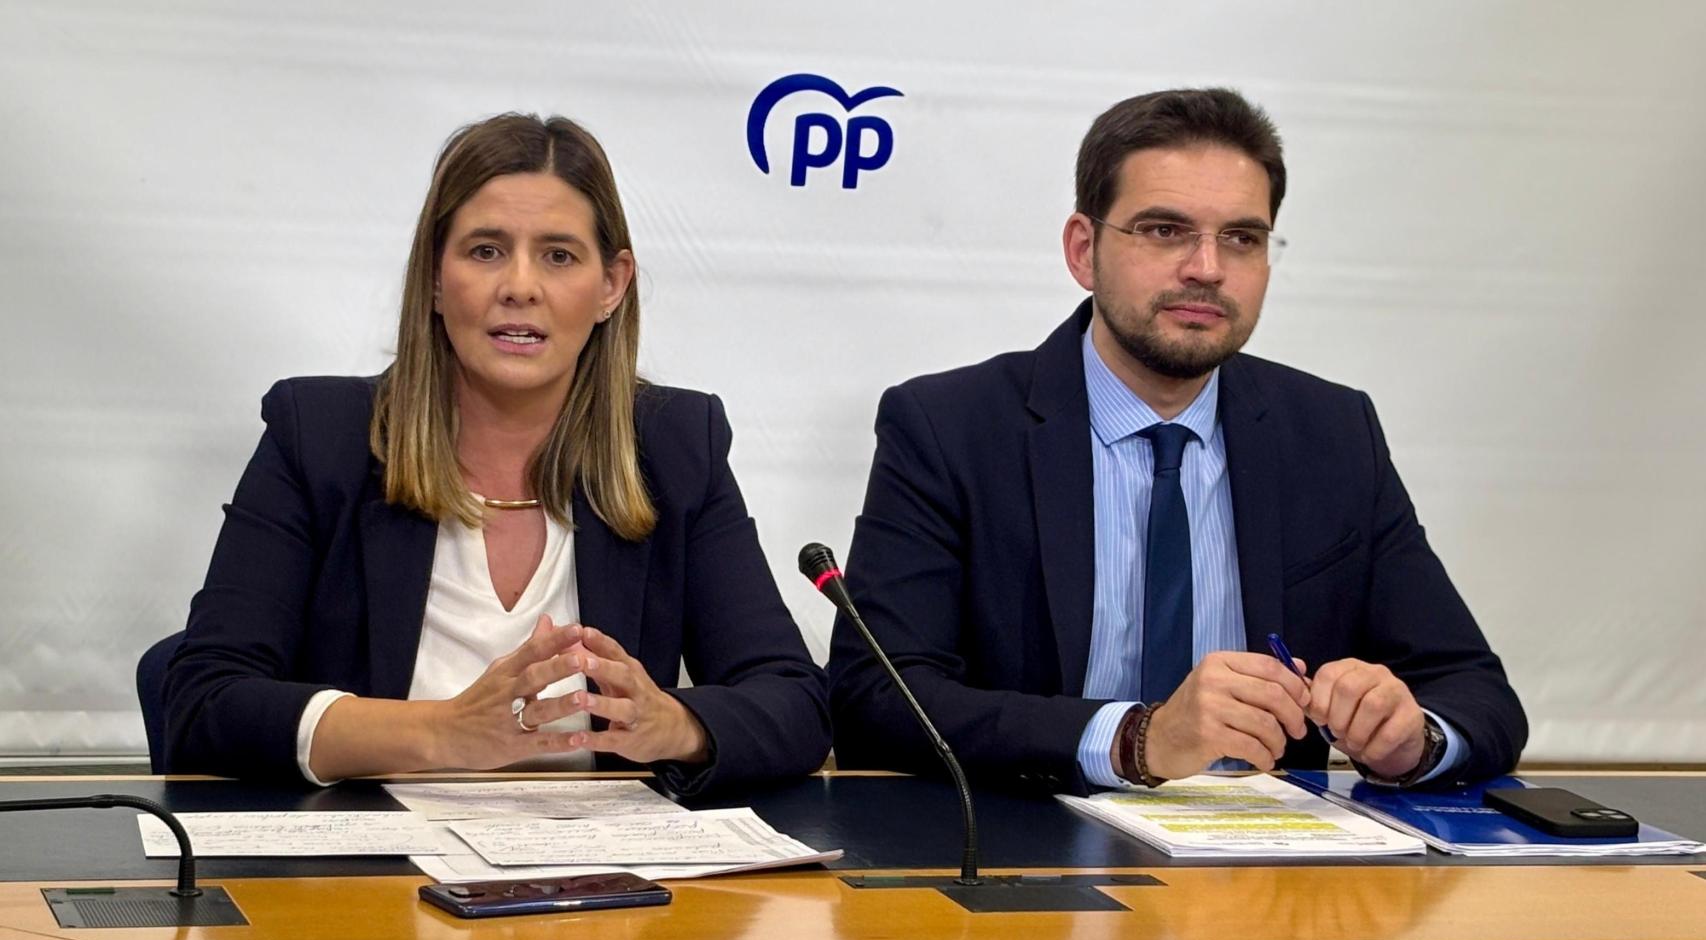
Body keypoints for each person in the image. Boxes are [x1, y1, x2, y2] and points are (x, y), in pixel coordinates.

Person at [827, 88, 1526, 794]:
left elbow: (1478, 694)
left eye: (1242, 238)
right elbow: (875, 699)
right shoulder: (951, 427)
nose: (1207, 268)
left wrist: (1414, 737)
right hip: (1028, 853)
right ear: (1083, 249)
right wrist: (1137, 739)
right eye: (1165, 231)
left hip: (1271, 872)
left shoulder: (1333, 433)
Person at [164, 113, 830, 795]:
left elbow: (795, 703)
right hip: (367, 875)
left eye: (559, 255)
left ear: (612, 285)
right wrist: (444, 731)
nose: (520, 286)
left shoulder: (675, 443)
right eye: (485, 251)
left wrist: (674, 723)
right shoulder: (321, 437)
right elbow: (203, 702)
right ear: (433, 275)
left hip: (607, 878)